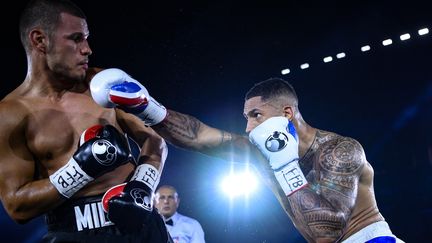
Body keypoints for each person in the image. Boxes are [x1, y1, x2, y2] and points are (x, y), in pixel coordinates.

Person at [89, 67, 405, 243]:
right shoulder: (259, 153)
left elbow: (328, 231)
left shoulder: (340, 151)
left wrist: (284, 164)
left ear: (287, 113)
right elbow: (199, 136)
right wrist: (147, 107)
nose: (249, 126)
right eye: (246, 118)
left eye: (256, 115)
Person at [0, 0, 172, 242]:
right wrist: (80, 169)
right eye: (76, 38)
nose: (87, 48)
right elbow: (17, 206)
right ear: (40, 40)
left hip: (140, 226)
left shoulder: (104, 83)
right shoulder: (10, 114)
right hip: (73, 232)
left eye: (87, 37)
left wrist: (141, 188)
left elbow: (155, 140)